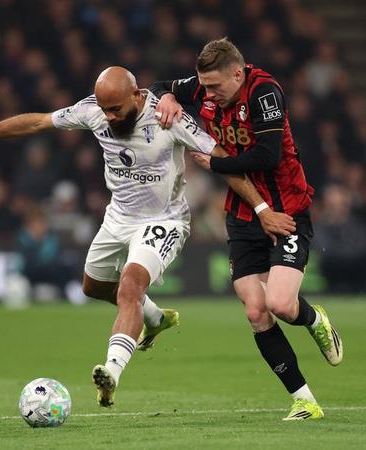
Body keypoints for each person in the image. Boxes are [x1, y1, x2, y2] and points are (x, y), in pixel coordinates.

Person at [0, 66, 295, 408]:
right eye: (105, 110)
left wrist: (262, 209)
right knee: (92, 286)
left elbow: (222, 159)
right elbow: (38, 122)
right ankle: (155, 318)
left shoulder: (168, 118)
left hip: (164, 220)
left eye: (116, 109)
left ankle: (111, 372)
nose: (108, 117)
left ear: (137, 95)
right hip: (118, 218)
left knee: (130, 286)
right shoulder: (93, 110)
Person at [151, 38, 343, 421]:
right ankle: (304, 400)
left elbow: (268, 156)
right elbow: (158, 87)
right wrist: (167, 97)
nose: (207, 94)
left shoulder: (264, 92)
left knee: (280, 305)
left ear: (237, 74)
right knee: (256, 311)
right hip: (241, 215)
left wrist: (214, 163)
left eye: (214, 86)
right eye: (203, 86)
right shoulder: (204, 88)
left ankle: (314, 319)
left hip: (285, 210)